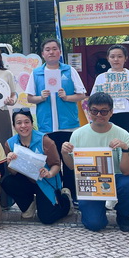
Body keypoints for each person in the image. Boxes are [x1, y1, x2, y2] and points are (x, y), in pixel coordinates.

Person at [61, 92, 129, 233]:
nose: (99, 115)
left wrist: (125, 149)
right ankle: (97, 210)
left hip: (116, 178)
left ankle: (123, 215)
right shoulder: (78, 134)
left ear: (111, 112)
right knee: (95, 224)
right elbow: (72, 166)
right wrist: (64, 153)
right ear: (88, 111)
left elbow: (127, 171)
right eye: (94, 111)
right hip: (90, 181)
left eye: (104, 111)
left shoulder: (123, 134)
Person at [26, 39, 86, 198]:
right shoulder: (36, 73)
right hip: (47, 126)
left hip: (69, 125)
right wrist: (41, 97)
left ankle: (72, 195)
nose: (51, 52)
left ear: (60, 52)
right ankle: (56, 195)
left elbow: (81, 94)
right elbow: (30, 98)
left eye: (54, 49)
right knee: (53, 161)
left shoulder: (69, 70)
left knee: (69, 162)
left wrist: (67, 97)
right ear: (42, 54)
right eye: (47, 49)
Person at [93, 44, 129, 213]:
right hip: (108, 117)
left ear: (125, 58)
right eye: (112, 56)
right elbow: (94, 99)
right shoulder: (102, 78)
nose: (116, 59)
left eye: (119, 56)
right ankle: (110, 195)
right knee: (107, 155)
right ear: (108, 59)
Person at [1, 108, 73, 224]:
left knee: (47, 218)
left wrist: (49, 173)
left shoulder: (45, 141)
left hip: (45, 180)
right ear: (14, 126)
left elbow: (56, 165)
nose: (23, 126)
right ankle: (28, 205)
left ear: (32, 123)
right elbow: (13, 173)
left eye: (27, 122)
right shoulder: (10, 143)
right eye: (19, 123)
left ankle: (66, 201)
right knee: (7, 182)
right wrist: (10, 162)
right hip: (26, 179)